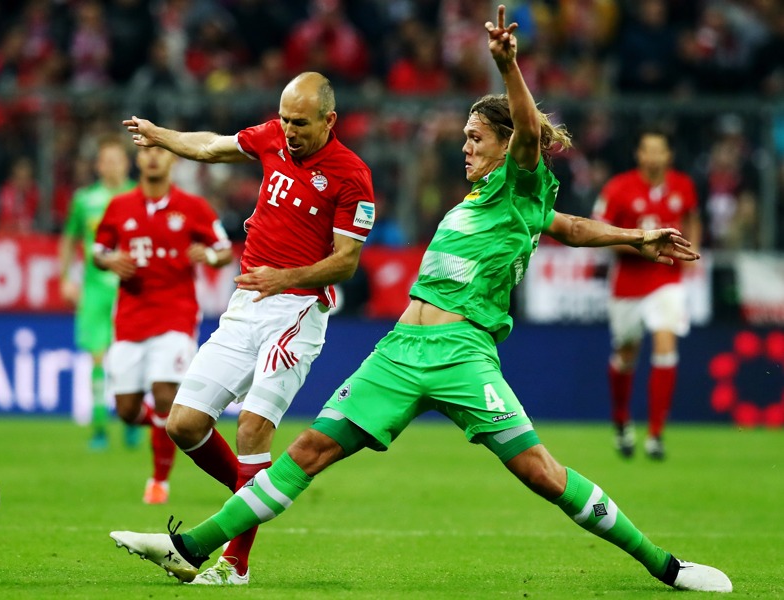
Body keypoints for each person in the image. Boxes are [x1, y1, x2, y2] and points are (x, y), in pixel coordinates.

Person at [109, 7, 731, 593]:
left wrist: (508, 65)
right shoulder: (491, 204)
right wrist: (631, 235)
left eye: (475, 138)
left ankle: (665, 566)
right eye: (464, 136)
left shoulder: (518, 179)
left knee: (540, 471)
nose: (464, 146)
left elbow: (530, 145)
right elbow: (565, 225)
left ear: (507, 143)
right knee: (307, 451)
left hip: (462, 353)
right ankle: (191, 549)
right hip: (401, 350)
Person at [119, 70, 375, 584]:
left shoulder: (352, 175)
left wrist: (287, 277)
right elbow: (213, 147)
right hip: (247, 303)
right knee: (183, 424)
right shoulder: (272, 139)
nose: (289, 131)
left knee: (252, 428)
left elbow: (347, 262)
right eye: (284, 119)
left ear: (329, 120)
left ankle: (234, 563)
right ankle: (250, 495)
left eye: (300, 122)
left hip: (297, 309)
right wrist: (160, 134)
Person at [93, 145, 233, 504]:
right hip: (130, 317)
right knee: (126, 410)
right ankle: (168, 427)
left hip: (176, 314)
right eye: (146, 152)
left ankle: (159, 482)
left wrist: (209, 255)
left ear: (173, 159)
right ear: (137, 160)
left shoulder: (193, 207)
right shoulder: (119, 206)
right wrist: (110, 262)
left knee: (165, 394)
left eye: (160, 151)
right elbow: (98, 250)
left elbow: (224, 250)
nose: (153, 157)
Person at [592, 127, 702, 460]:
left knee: (666, 342)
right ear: (639, 155)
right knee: (626, 353)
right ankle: (622, 422)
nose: (653, 156)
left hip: (666, 279)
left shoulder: (683, 186)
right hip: (627, 283)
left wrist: (693, 245)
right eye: (647, 150)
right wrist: (639, 246)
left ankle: (656, 435)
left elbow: (692, 216)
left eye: (659, 151)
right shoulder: (618, 188)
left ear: (668, 156)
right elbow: (600, 233)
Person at [59, 135, 141, 451]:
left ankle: (132, 421)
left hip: (131, 289)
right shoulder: (84, 200)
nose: (110, 165)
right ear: (97, 165)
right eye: (105, 160)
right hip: (94, 291)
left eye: (116, 160)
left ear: (126, 163)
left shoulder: (138, 195)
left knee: (131, 360)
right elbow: (68, 239)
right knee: (97, 357)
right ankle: (98, 427)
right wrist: (66, 278)